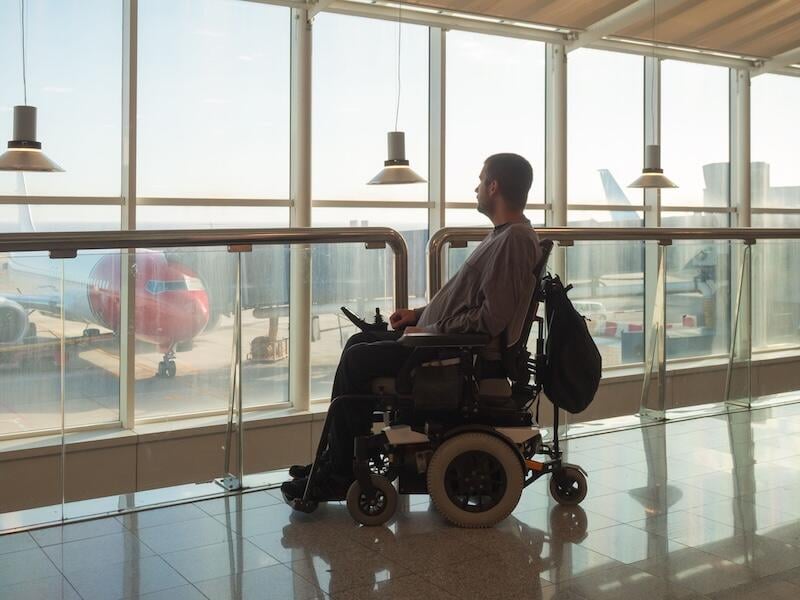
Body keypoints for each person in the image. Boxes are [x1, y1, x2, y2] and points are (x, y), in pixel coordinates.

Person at [282, 153, 542, 503]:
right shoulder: (503, 236)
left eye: (481, 181)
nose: (476, 188)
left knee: (358, 360)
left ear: (494, 186)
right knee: (359, 341)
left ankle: (340, 473)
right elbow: (471, 303)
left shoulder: (513, 240)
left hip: (450, 349)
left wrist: (430, 330)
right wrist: (419, 316)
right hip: (438, 339)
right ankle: (333, 460)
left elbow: (490, 318)